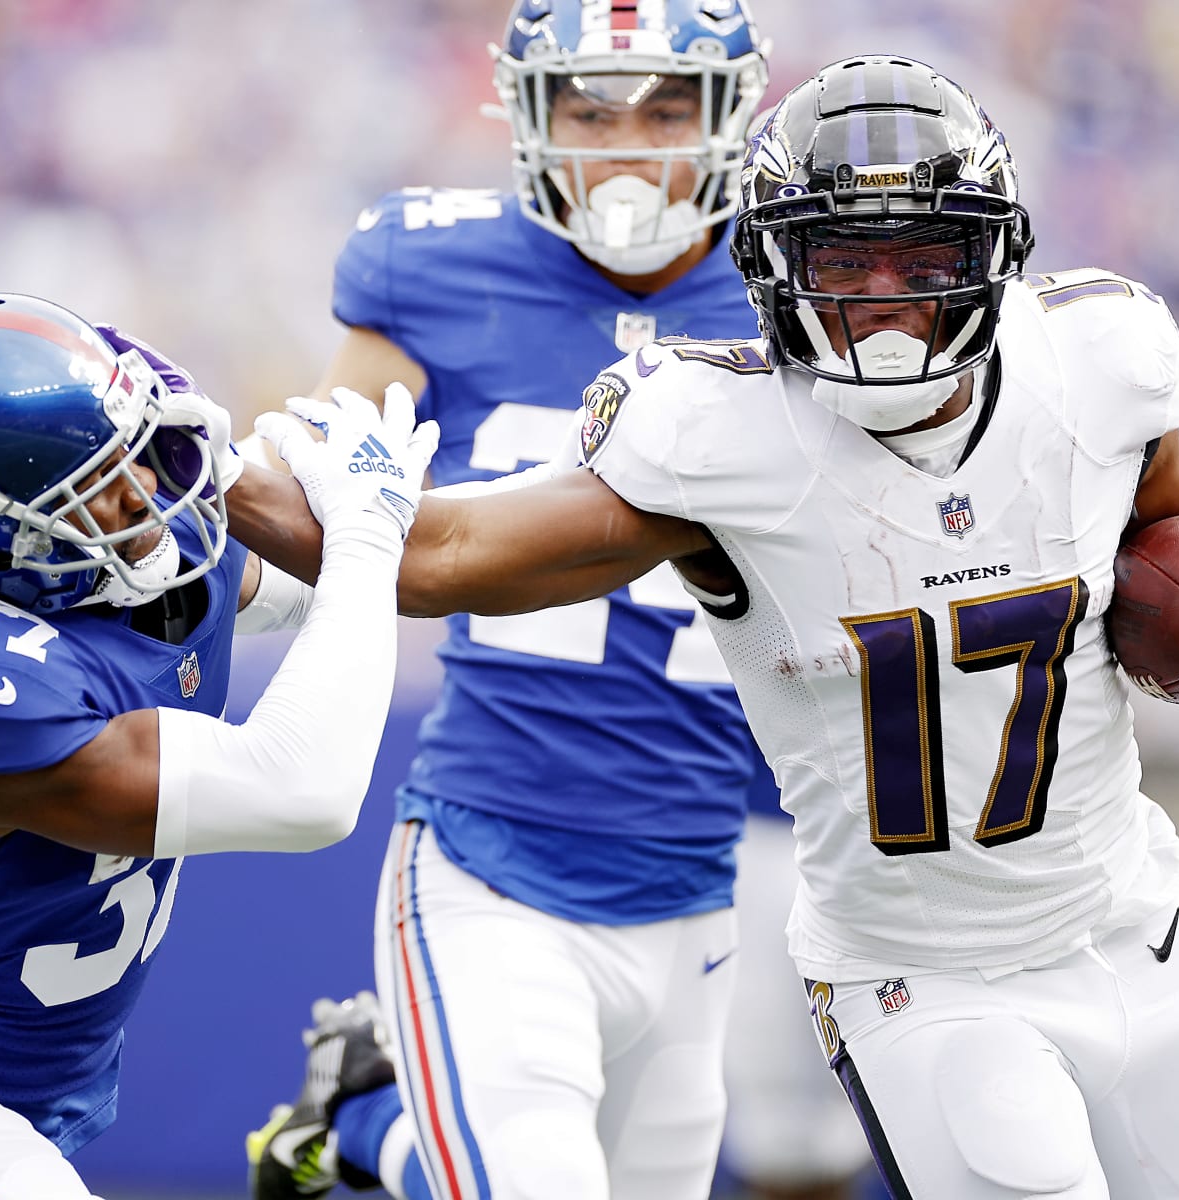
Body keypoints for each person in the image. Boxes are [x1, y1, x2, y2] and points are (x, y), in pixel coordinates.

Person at [232, 55, 1179, 1198]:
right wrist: (194, 469)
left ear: (994, 255)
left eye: (924, 256)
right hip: (923, 978)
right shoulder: (719, 433)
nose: (883, 298)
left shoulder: (1096, 363)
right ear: (772, 268)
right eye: (843, 258)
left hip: (1137, 921)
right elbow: (449, 554)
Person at [246, 4, 864, 1200]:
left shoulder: (813, 287)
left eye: (667, 108)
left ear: (731, 115)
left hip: (698, 873)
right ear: (531, 115)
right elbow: (322, 492)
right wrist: (259, 547)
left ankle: (366, 1123)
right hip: (494, 850)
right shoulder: (429, 266)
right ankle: (378, 1125)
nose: (625, 146)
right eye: (589, 107)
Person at [0, 293, 435, 1200]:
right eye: (95, 480)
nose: (145, 495)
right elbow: (304, 788)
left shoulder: (125, 553)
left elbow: (349, 604)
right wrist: (367, 537)